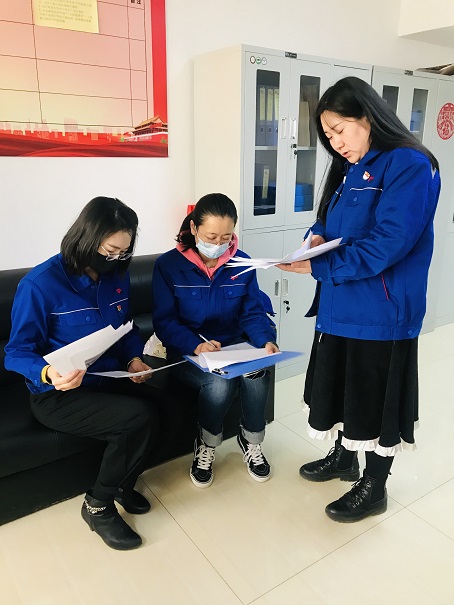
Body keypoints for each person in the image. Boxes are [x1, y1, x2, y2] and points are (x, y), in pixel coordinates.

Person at [277, 77, 441, 522]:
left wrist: (320, 266)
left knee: (372, 398)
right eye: (327, 136)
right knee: (342, 387)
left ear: (367, 116)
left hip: (381, 310)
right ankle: (345, 457)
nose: (335, 143)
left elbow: (390, 242)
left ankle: (374, 486)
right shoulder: (351, 167)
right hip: (340, 303)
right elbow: (330, 223)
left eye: (339, 130)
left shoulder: (409, 164)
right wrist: (314, 239)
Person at [5, 196, 166, 550]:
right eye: (110, 251)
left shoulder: (117, 276)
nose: (117, 259)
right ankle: (97, 505)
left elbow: (124, 328)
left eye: (124, 252)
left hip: (106, 377)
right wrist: (49, 373)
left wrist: (133, 360)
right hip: (57, 393)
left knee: (163, 402)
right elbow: (16, 352)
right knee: (136, 418)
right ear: (86, 238)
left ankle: (122, 484)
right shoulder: (40, 285)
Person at [152, 193, 279, 488]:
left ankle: (251, 440)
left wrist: (265, 341)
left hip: (233, 346)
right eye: (211, 236)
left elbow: (252, 312)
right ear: (194, 228)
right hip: (188, 351)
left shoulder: (242, 262)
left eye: (226, 237)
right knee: (219, 383)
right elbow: (164, 322)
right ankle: (206, 444)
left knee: (256, 370)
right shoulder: (168, 266)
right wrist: (196, 345)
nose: (219, 243)